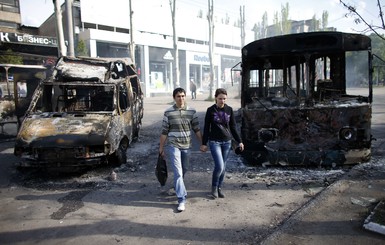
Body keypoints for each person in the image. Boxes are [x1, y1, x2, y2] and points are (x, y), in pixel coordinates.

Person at [159, 87, 202, 212]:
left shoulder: (192, 111)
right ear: (174, 98)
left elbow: (197, 129)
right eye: (178, 96)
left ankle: (177, 187)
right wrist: (161, 147)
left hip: (187, 145)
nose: (181, 98)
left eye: (183, 96)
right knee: (178, 172)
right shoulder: (168, 113)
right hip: (173, 145)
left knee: (184, 170)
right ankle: (181, 199)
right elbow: (164, 132)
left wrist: (202, 143)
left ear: (185, 96)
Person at [200, 88, 244, 198]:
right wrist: (204, 143)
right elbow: (206, 128)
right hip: (214, 142)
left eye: (224, 99)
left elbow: (233, 127)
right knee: (219, 166)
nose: (222, 101)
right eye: (220, 98)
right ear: (215, 98)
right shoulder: (210, 110)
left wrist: (240, 141)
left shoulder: (229, 109)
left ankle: (219, 188)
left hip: (227, 142)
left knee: (223, 167)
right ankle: (214, 187)